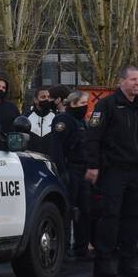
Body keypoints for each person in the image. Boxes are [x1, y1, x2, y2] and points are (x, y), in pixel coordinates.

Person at [85, 66, 138, 277]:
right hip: (114, 171)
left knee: (132, 218)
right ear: (122, 81)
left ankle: (128, 262)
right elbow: (93, 137)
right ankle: (104, 262)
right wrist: (93, 165)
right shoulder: (107, 106)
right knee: (110, 216)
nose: (137, 83)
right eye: (133, 79)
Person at [50, 90, 94, 260]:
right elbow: (57, 149)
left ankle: (81, 248)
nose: (86, 107)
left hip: (83, 170)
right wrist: (63, 172)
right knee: (68, 211)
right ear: (73, 104)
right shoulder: (63, 121)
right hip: (71, 170)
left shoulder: (81, 121)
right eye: (83, 103)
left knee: (85, 210)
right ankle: (65, 249)